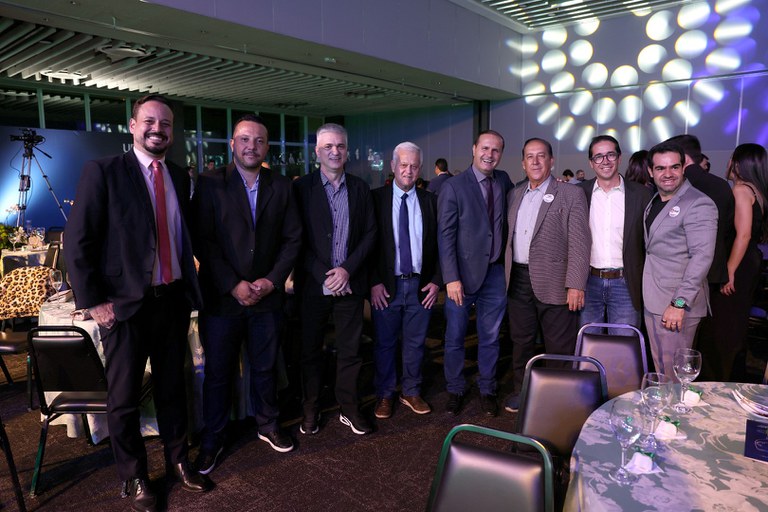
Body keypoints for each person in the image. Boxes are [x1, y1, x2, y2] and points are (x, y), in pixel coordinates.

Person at [64, 94, 211, 512]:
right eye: (149, 121)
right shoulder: (104, 171)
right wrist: (95, 303)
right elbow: (78, 242)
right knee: (124, 398)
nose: (157, 130)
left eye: (165, 124)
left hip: (172, 302)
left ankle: (179, 462)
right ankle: (134, 477)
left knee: (172, 390)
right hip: (125, 307)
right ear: (133, 126)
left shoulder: (179, 176)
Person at [192, 114, 301, 474]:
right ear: (232, 144)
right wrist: (232, 284)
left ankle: (268, 425)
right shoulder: (210, 183)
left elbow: (293, 239)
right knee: (218, 372)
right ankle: (213, 438)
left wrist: (272, 280)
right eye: (244, 139)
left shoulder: (281, 186)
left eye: (259, 140)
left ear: (267, 147)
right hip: (222, 299)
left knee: (265, 368)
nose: (251, 146)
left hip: (267, 298)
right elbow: (202, 240)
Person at [293, 123, 377, 435]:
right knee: (310, 351)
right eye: (328, 146)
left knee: (350, 351)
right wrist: (325, 274)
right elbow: (296, 239)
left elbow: (371, 234)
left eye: (340, 146)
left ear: (347, 151)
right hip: (313, 286)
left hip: (350, 284)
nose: (335, 151)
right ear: (316, 151)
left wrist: (346, 270)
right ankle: (311, 407)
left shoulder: (360, 188)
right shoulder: (301, 189)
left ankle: (349, 408)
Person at [503, 137, 591, 412]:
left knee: (559, 346)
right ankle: (523, 392)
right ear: (523, 163)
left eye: (541, 156)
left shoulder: (571, 194)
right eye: (530, 156)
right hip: (518, 279)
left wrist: (575, 284)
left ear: (551, 161)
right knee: (521, 342)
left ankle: (557, 399)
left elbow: (580, 242)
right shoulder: (515, 194)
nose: (535, 161)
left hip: (556, 282)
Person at [438, 130, 513, 417]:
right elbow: (445, 236)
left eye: (495, 150)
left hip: (495, 274)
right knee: (455, 337)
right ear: (474, 149)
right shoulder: (453, 186)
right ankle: (455, 388)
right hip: (461, 277)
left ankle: (487, 389)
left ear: (501, 154)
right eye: (484, 148)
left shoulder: (503, 180)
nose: (489, 155)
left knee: (490, 337)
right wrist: (451, 278)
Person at [370, 142, 441, 419]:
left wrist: (436, 280)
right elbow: (367, 245)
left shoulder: (431, 201)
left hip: (420, 286)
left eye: (413, 166)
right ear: (392, 166)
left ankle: (411, 391)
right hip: (386, 287)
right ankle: (385, 394)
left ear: (420, 168)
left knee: (416, 343)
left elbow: (441, 244)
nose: (408, 171)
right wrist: (374, 281)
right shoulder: (375, 199)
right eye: (403, 165)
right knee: (385, 343)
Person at [643, 141, 717, 378]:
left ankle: (674, 405)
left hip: (676, 304)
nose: (668, 174)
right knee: (662, 370)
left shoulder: (698, 203)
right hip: (654, 299)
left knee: (675, 375)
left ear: (683, 167)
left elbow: (702, 257)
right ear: (651, 171)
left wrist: (679, 303)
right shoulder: (656, 200)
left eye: (674, 167)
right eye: (660, 168)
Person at [698, 143, 767, 381]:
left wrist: (729, 270)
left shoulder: (741, 190)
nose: (727, 163)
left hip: (739, 263)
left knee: (722, 327)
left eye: (731, 159)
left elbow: (743, 234)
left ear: (738, 164)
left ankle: (717, 379)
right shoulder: (757, 190)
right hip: (749, 261)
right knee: (735, 324)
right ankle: (731, 376)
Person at [578, 135, 652, 332]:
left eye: (610, 155)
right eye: (598, 157)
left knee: (623, 344)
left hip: (626, 283)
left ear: (619, 158)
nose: (605, 161)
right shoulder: (579, 193)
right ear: (591, 163)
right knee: (588, 342)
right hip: (588, 282)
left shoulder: (641, 194)